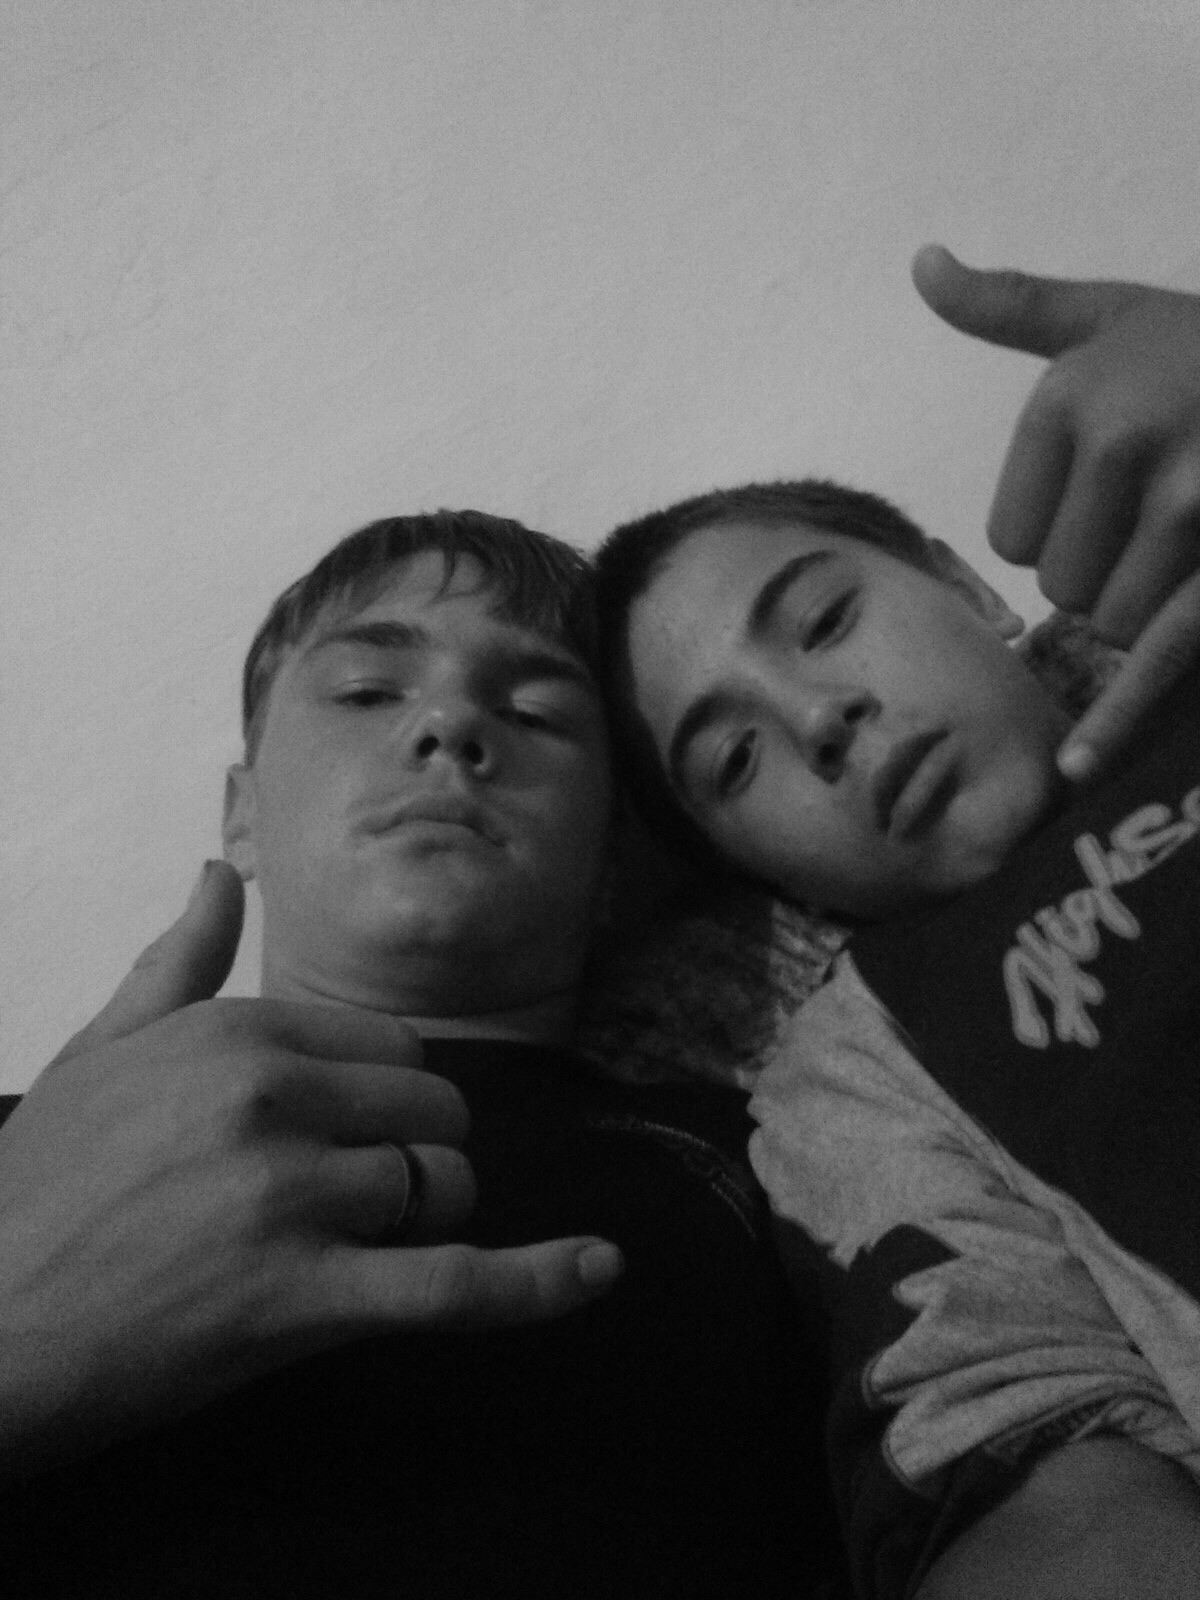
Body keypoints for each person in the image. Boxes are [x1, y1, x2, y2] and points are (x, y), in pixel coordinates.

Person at [0, 510, 844, 1597]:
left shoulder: (797, 1155)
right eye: (366, 692)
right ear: (242, 814)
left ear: (614, 860)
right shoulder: (27, 1154)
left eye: (535, 713)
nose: (450, 724)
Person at [593, 464, 1200, 1600]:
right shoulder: (858, 1069)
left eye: (826, 620)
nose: (819, 718)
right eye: (735, 761)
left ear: (970, 588)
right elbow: (1002, 1441)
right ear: (766, 878)